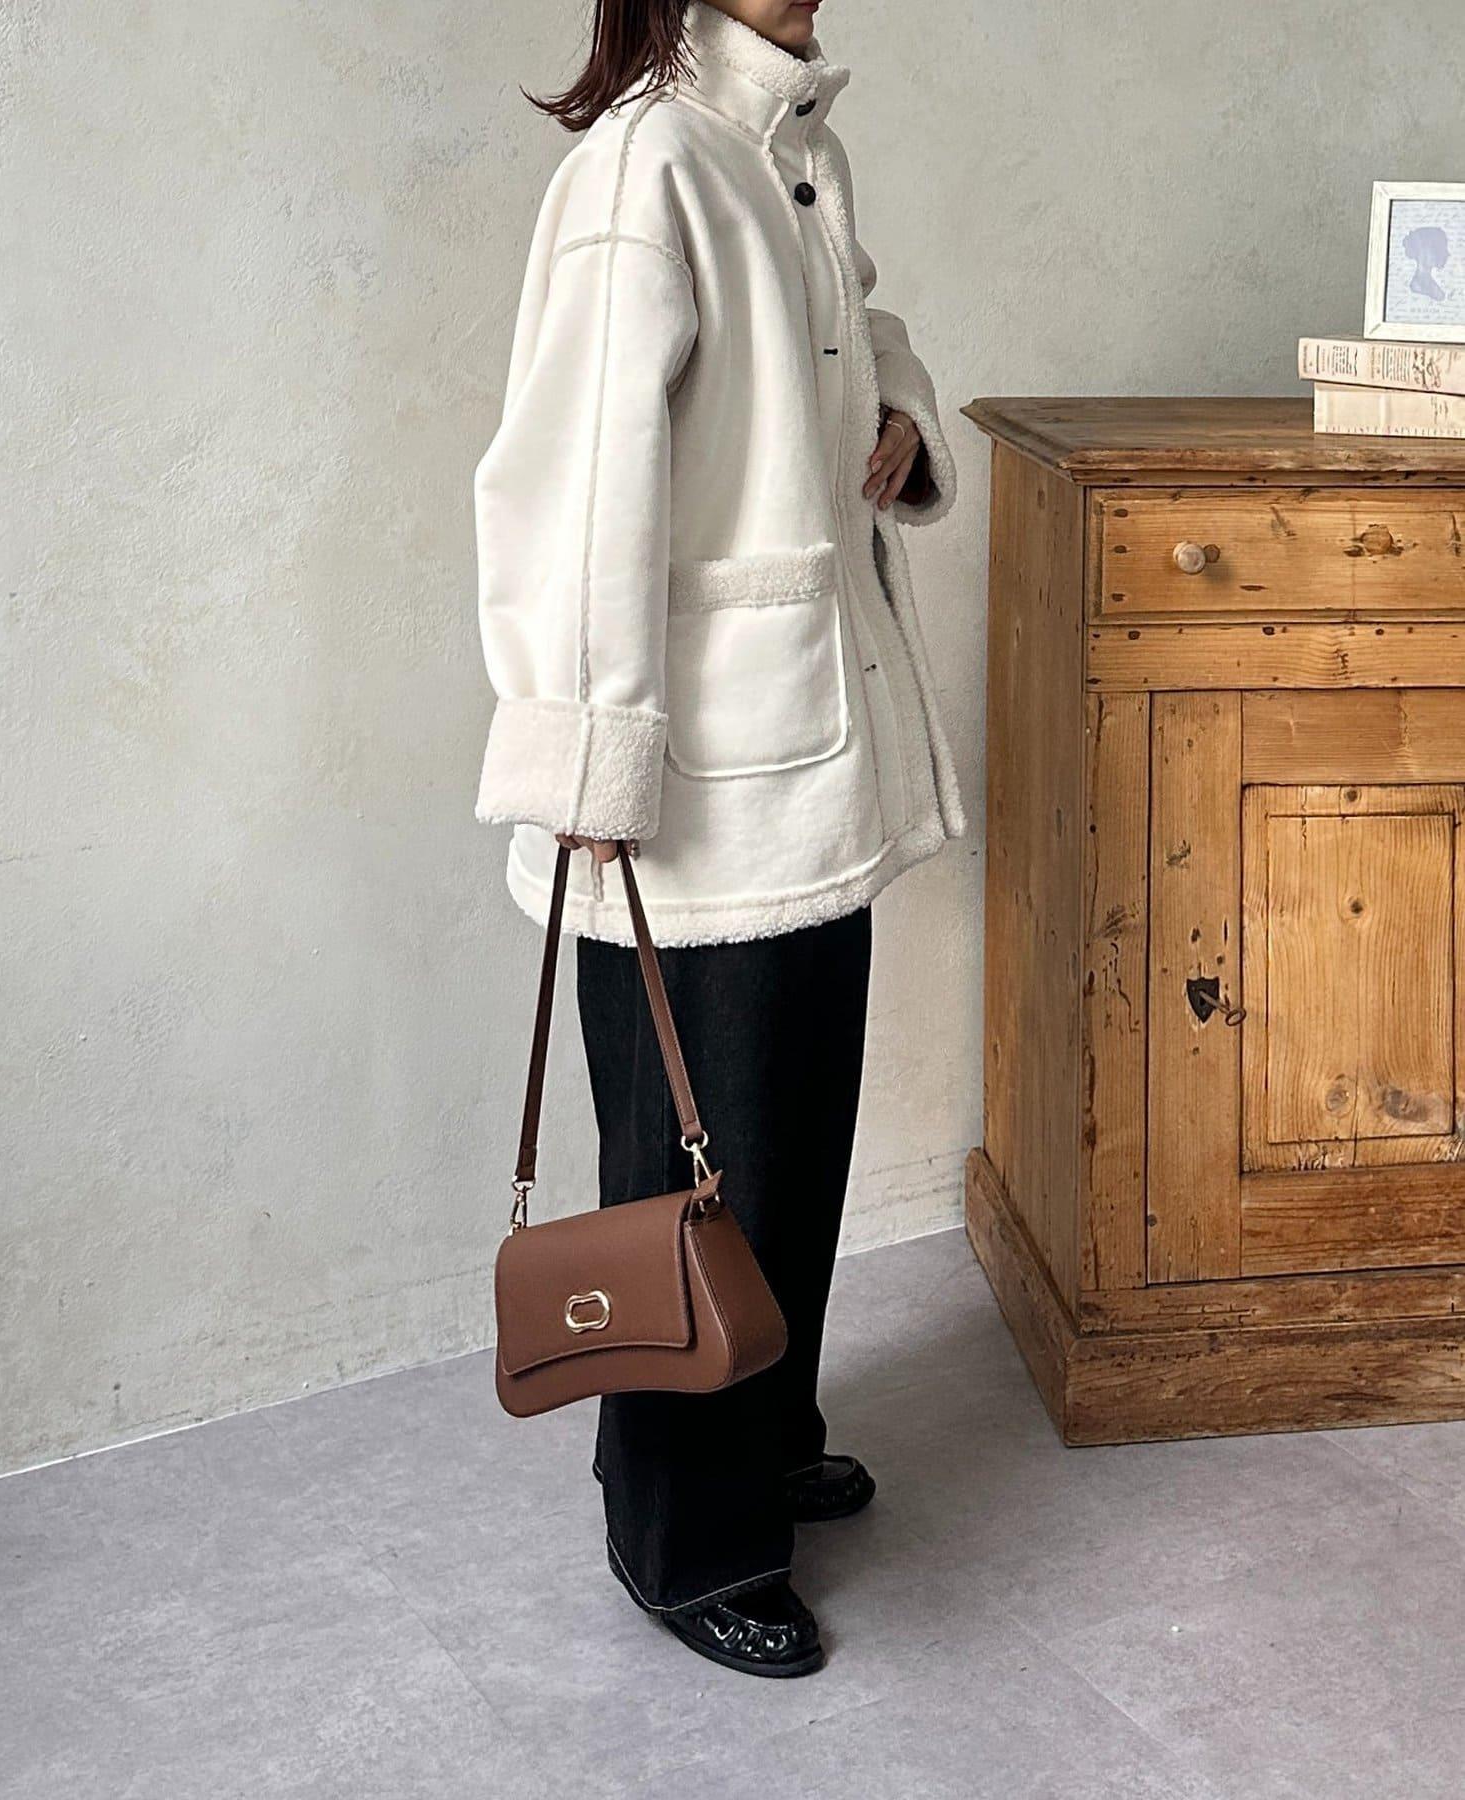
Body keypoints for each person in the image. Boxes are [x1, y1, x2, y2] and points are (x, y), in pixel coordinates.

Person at [474, 0, 963, 1677]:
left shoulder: (793, 143)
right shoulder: (651, 165)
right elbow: (572, 494)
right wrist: (590, 756)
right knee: (695, 1176)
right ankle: (680, 1533)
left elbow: (858, 327)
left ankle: (762, 1431)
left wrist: (900, 423)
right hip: (689, 791)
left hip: (810, 757)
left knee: (787, 1143)